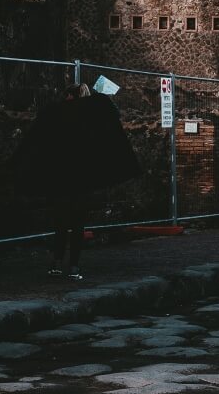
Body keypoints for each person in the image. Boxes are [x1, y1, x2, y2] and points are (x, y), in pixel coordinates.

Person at [18, 83, 139, 281]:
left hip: (63, 181)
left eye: (67, 96)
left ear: (71, 97)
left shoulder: (59, 117)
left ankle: (59, 262)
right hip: (80, 183)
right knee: (75, 226)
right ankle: (72, 265)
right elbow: (110, 111)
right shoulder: (90, 121)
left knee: (62, 224)